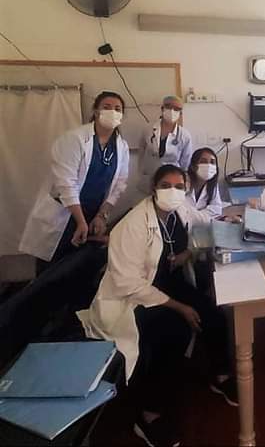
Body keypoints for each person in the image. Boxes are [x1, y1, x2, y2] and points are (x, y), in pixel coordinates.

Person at [76, 165, 236, 447]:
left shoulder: (180, 210)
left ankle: (220, 375)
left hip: (165, 283)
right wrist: (178, 307)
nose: (172, 192)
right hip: (133, 297)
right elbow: (127, 283)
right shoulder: (135, 223)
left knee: (212, 313)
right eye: (165, 185)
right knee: (174, 332)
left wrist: (200, 242)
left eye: (179, 186)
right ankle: (149, 414)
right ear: (153, 188)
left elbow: (204, 223)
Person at [19, 91, 129, 267]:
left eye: (117, 109)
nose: (113, 112)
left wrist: (101, 215)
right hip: (64, 214)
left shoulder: (121, 147)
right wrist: (80, 221)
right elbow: (66, 183)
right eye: (107, 107)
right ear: (96, 111)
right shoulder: (75, 139)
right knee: (53, 268)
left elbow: (119, 184)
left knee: (78, 267)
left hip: (92, 215)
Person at [139, 95, 193, 192]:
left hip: (172, 181)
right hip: (149, 178)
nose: (172, 111)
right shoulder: (148, 130)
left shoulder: (185, 136)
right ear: (162, 108)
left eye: (176, 109)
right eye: (169, 106)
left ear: (180, 113)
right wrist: (142, 173)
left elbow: (185, 164)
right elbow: (141, 154)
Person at [186, 147, 222, 220]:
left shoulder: (212, 184)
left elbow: (216, 209)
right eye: (203, 161)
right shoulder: (183, 182)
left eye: (212, 162)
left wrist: (195, 216)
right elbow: (181, 211)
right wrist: (204, 216)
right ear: (193, 166)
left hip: (200, 224)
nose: (208, 165)